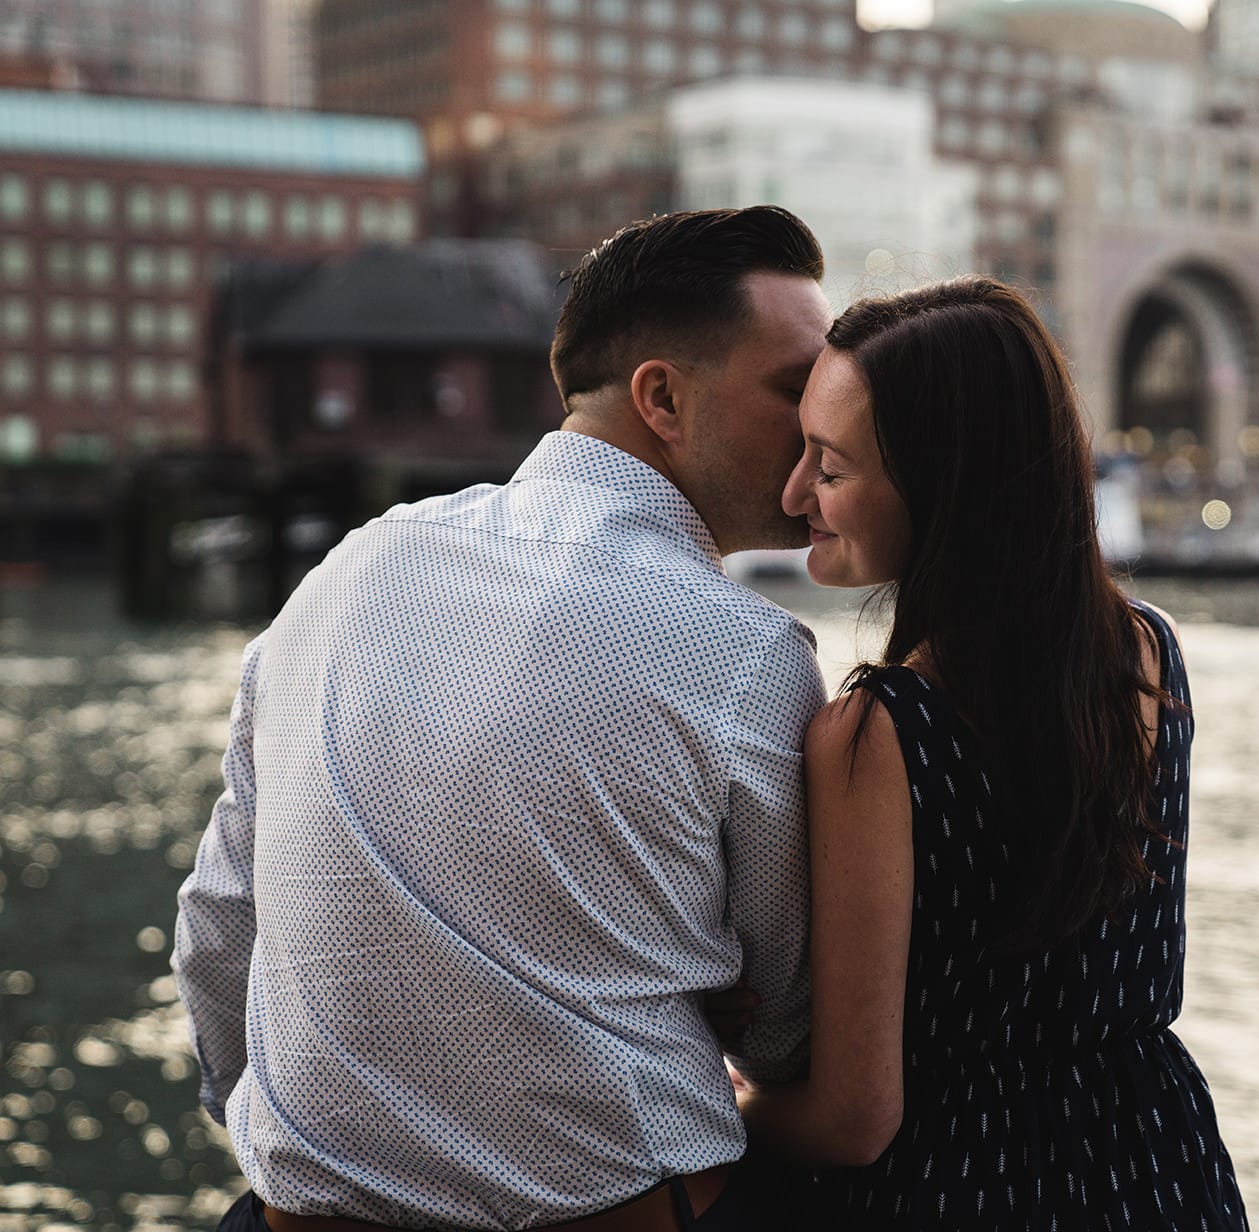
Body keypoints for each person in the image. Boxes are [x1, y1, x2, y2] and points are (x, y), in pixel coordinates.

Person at [172, 206, 834, 1232]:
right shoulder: (748, 656)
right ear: (663, 395)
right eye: (796, 387)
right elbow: (792, 1027)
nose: (825, 422)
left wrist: (293, 1133)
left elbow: (217, 927)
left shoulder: (343, 572)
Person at [736, 277, 1251, 1230]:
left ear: (944, 490)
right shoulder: (1151, 654)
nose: (793, 491)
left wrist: (728, 1108)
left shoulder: (876, 737)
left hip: (967, 1192)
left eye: (831, 466)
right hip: (1164, 1171)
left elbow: (855, 1119)